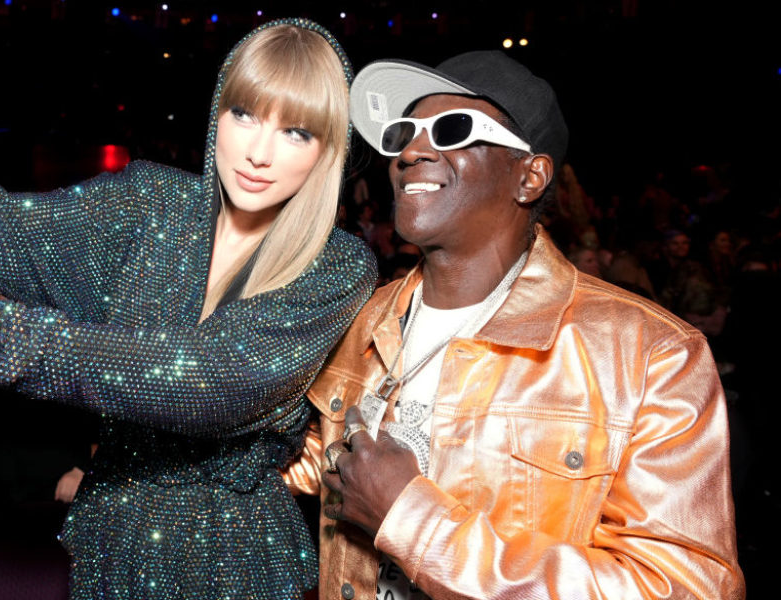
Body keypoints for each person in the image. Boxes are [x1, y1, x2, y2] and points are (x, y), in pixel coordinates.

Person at [0, 20, 376, 599]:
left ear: (327, 150)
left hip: (234, 561)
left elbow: (209, 377)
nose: (258, 152)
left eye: (296, 132)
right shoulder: (150, 202)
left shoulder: (338, 265)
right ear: (217, 112)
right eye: (244, 114)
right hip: (110, 539)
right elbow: (1, 231)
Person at [284, 51, 743, 599]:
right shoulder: (358, 321)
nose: (409, 152)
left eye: (452, 129)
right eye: (403, 133)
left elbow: (688, 587)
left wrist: (415, 523)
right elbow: (301, 464)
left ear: (530, 176)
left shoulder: (649, 354)